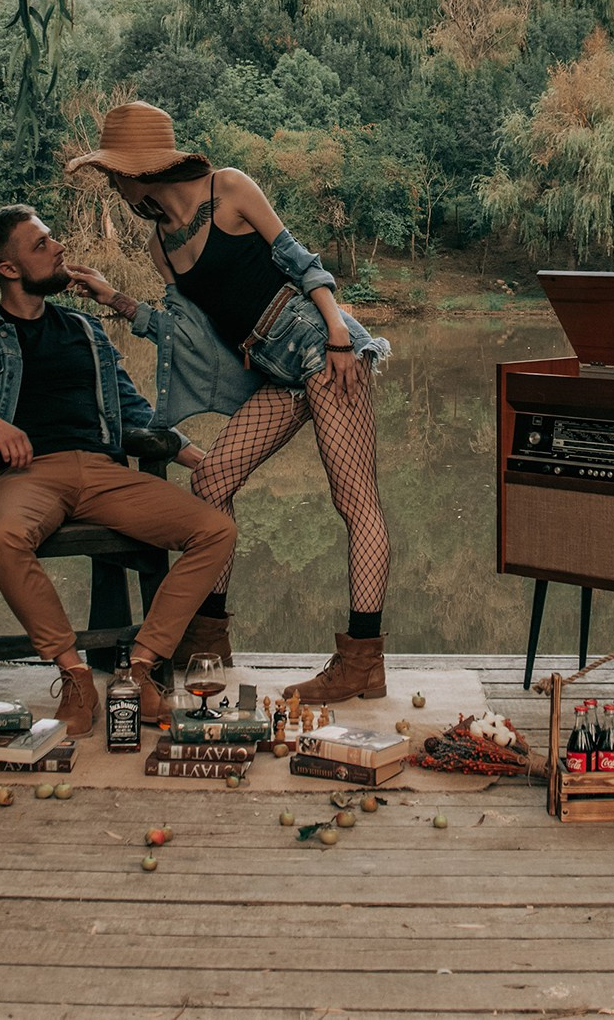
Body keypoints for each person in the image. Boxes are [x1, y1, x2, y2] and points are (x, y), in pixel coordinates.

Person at [64, 100, 393, 704]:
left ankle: (362, 662)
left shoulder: (230, 188)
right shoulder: (161, 246)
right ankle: (207, 640)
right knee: (213, 479)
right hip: (275, 369)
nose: (113, 188)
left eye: (113, 176)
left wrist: (341, 337)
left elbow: (303, 263)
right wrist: (115, 300)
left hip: (322, 347)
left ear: (139, 170)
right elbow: (188, 332)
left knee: (355, 502)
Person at [0, 205, 237, 738]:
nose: (58, 247)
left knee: (215, 530)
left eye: (51, 238)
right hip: (26, 475)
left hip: (104, 473)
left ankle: (142, 667)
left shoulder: (85, 330)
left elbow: (132, 410)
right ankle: (75, 674)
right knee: (4, 537)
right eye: (41, 244)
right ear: (9, 269)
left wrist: (198, 455)